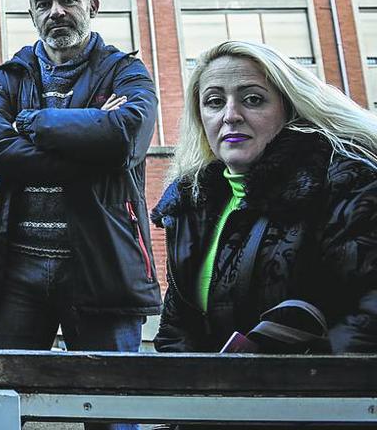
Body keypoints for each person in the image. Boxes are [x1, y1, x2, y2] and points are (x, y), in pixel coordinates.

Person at [0, 0, 160, 430]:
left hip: (101, 269)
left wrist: (31, 122)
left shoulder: (126, 72)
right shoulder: (12, 75)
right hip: (13, 272)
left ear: (92, 7)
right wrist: (87, 137)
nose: (56, 11)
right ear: (32, 15)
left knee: (112, 411)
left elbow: (124, 138)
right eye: (43, 4)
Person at [152, 39, 377, 355]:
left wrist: (292, 380)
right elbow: (176, 331)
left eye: (253, 99)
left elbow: (369, 312)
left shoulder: (345, 180)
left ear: (288, 108)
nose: (231, 115)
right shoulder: (190, 204)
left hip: (321, 397)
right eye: (214, 102)